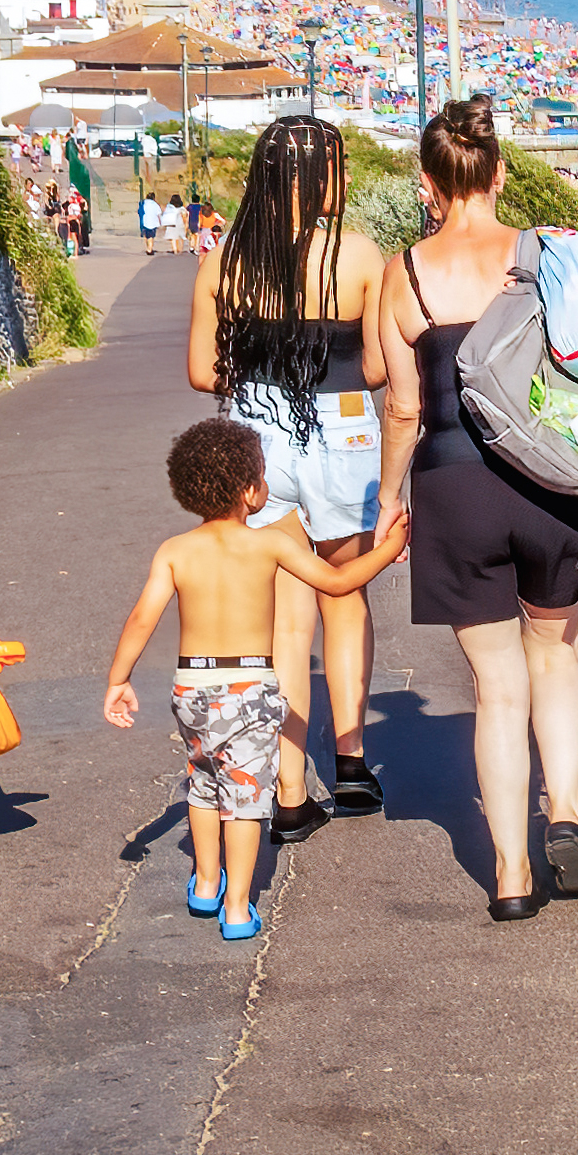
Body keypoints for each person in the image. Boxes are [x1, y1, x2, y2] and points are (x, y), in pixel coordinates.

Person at [382, 97, 578, 922]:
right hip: (550, 481)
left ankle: (512, 875)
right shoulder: (543, 252)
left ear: (427, 184)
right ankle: (567, 816)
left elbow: (404, 408)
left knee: (495, 687)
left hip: (453, 487)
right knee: (556, 658)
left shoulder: (404, 271)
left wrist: (387, 499)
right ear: (499, 174)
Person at [102, 418, 412, 940]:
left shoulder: (175, 550)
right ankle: (240, 907)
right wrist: (388, 547)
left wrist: (119, 679)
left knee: (202, 783)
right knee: (244, 800)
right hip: (247, 690)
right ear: (250, 491)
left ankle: (205, 883)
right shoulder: (268, 545)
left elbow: (141, 618)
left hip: (192, 689)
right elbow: (337, 583)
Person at [188, 118, 408, 826]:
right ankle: (350, 765)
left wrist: (261, 376)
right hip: (341, 425)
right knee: (345, 596)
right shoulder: (360, 254)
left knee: (286, 615)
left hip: (257, 436)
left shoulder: (225, 260)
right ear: (320, 178)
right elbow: (377, 366)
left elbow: (200, 371)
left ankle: (287, 791)